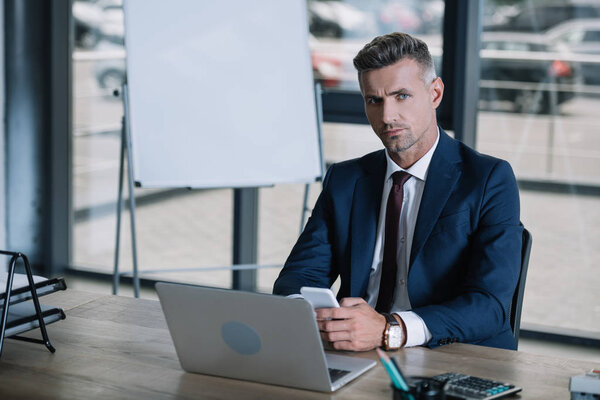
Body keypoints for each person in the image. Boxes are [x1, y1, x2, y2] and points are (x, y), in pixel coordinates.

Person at [273, 32, 522, 351]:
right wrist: (311, 316)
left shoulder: (488, 179)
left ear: (435, 93)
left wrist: (392, 329)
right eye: (374, 100)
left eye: (401, 96)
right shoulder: (345, 178)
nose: (387, 116)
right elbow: (298, 276)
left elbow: (490, 304)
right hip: (358, 349)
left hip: (450, 350)